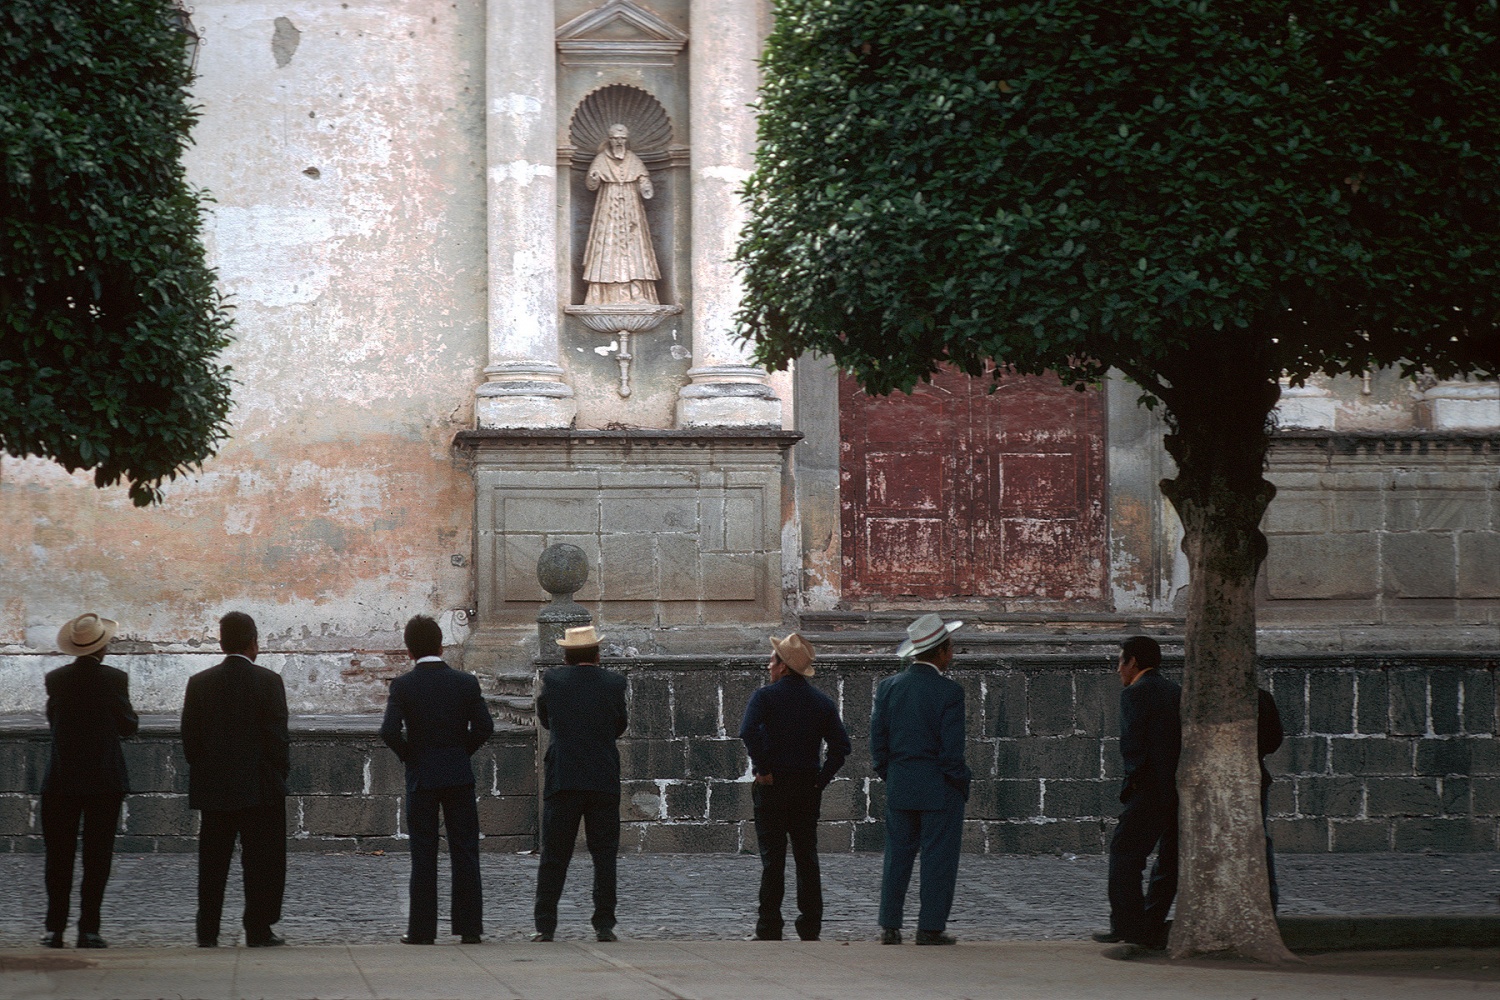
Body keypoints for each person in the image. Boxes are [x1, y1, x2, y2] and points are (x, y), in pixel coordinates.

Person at [380, 614, 494, 945]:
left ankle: (422, 930)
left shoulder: (403, 685)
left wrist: (410, 756)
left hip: (422, 776)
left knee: (423, 853)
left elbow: (389, 731)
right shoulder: (465, 683)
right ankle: (469, 928)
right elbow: (484, 727)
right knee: (465, 851)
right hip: (457, 774)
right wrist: (461, 752)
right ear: (441, 646)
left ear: (409, 651)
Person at [181, 612, 289, 948]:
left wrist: (206, 771)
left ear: (222, 642)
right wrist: (278, 775)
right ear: (253, 642)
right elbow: (277, 738)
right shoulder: (269, 681)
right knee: (262, 863)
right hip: (260, 787)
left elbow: (190, 740)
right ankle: (258, 928)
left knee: (213, 864)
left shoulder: (199, 683)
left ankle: (207, 931)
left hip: (215, 788)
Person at [738, 633, 851, 942]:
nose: (769, 665)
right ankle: (810, 926)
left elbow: (748, 731)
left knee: (772, 859)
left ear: (783, 666)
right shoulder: (822, 702)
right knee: (806, 857)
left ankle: (769, 926)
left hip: (773, 785)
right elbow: (841, 747)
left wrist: (763, 768)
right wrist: (821, 780)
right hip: (806, 786)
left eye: (772, 660)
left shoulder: (765, 697)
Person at [871, 614, 971, 946]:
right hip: (939, 786)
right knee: (938, 859)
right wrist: (959, 781)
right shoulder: (950, 692)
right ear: (941, 651)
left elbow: (878, 742)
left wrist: (891, 774)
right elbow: (951, 750)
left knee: (897, 856)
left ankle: (890, 925)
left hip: (901, 782)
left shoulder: (888, 687)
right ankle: (929, 927)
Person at [39, 613, 139, 949]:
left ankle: (55, 929)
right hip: (103, 781)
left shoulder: (56, 679)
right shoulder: (114, 679)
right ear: (102, 647)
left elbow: (54, 721)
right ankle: (89, 929)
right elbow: (127, 725)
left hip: (62, 779)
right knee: (97, 857)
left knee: (59, 857)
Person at [532, 624, 628, 942]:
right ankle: (604, 924)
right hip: (602, 776)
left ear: (566, 656)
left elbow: (545, 718)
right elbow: (620, 724)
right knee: (604, 855)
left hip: (564, 775)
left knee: (554, 855)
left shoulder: (553, 681)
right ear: (597, 655)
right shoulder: (614, 683)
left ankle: (545, 924)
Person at [1096, 635, 1181, 951]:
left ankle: (1128, 926)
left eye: (1120, 661)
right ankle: (1151, 922)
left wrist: (1132, 785)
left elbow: (1134, 745)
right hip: (1175, 789)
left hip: (1148, 790)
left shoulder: (1135, 693)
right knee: (1168, 861)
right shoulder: (1174, 691)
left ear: (1132, 661)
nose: (1118, 669)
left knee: (1125, 856)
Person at [581, 123, 661, 304]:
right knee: (606, 244)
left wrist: (645, 185)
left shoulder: (633, 159)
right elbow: (591, 184)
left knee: (636, 246)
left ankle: (637, 291)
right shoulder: (601, 159)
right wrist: (594, 179)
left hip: (632, 208)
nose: (619, 142)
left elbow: (643, 178)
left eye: (622, 139)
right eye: (616, 138)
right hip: (608, 207)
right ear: (609, 140)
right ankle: (602, 295)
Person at [1258, 687, 1285, 911]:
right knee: (1259, 837)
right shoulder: (1260, 696)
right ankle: (1268, 901)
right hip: (1255, 775)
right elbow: (1274, 739)